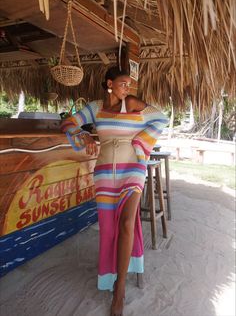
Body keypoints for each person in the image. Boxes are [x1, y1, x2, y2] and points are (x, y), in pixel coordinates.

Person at [61, 66, 168, 316]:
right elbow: (67, 121)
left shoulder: (130, 103)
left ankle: (119, 289)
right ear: (109, 83)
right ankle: (111, 276)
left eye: (129, 84)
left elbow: (161, 118)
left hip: (133, 168)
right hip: (104, 173)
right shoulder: (95, 107)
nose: (127, 88)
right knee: (108, 230)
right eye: (122, 83)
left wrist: (140, 142)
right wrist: (82, 135)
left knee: (128, 223)